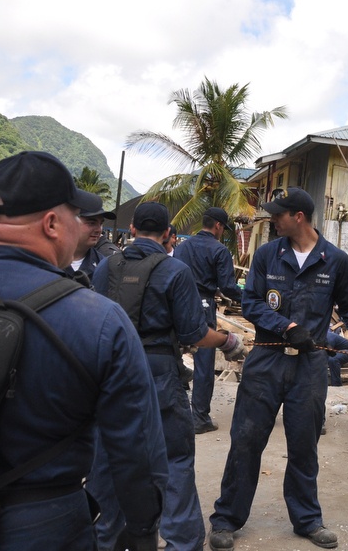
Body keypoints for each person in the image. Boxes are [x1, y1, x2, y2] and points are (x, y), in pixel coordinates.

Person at [0, 151, 168, 551]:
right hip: (45, 518)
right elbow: (135, 447)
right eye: (77, 216)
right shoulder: (98, 320)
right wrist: (142, 528)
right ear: (53, 223)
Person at [208, 188, 348, 551]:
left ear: (298, 217)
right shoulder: (267, 255)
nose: (273, 219)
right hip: (266, 363)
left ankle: (306, 520)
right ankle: (226, 518)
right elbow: (252, 303)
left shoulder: (334, 260)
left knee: (304, 446)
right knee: (245, 440)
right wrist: (287, 327)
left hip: (309, 366)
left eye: (278, 214)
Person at [88, 202, 246, 551]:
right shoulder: (173, 270)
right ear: (166, 234)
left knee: (109, 457)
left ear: (131, 230)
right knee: (174, 458)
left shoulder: (106, 267)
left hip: (111, 372)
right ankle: (182, 542)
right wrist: (228, 341)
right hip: (158, 372)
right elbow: (194, 333)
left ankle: (104, 539)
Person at [173, 207, 243, 434]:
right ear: (219, 226)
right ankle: (200, 418)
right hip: (203, 307)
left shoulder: (181, 247)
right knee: (203, 366)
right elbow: (228, 287)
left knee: (173, 358)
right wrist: (250, 298)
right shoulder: (219, 250)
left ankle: (173, 414)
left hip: (178, 304)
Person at [66, 208, 117, 282]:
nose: (99, 230)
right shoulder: (50, 260)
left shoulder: (103, 266)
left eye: (101, 224)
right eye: (92, 223)